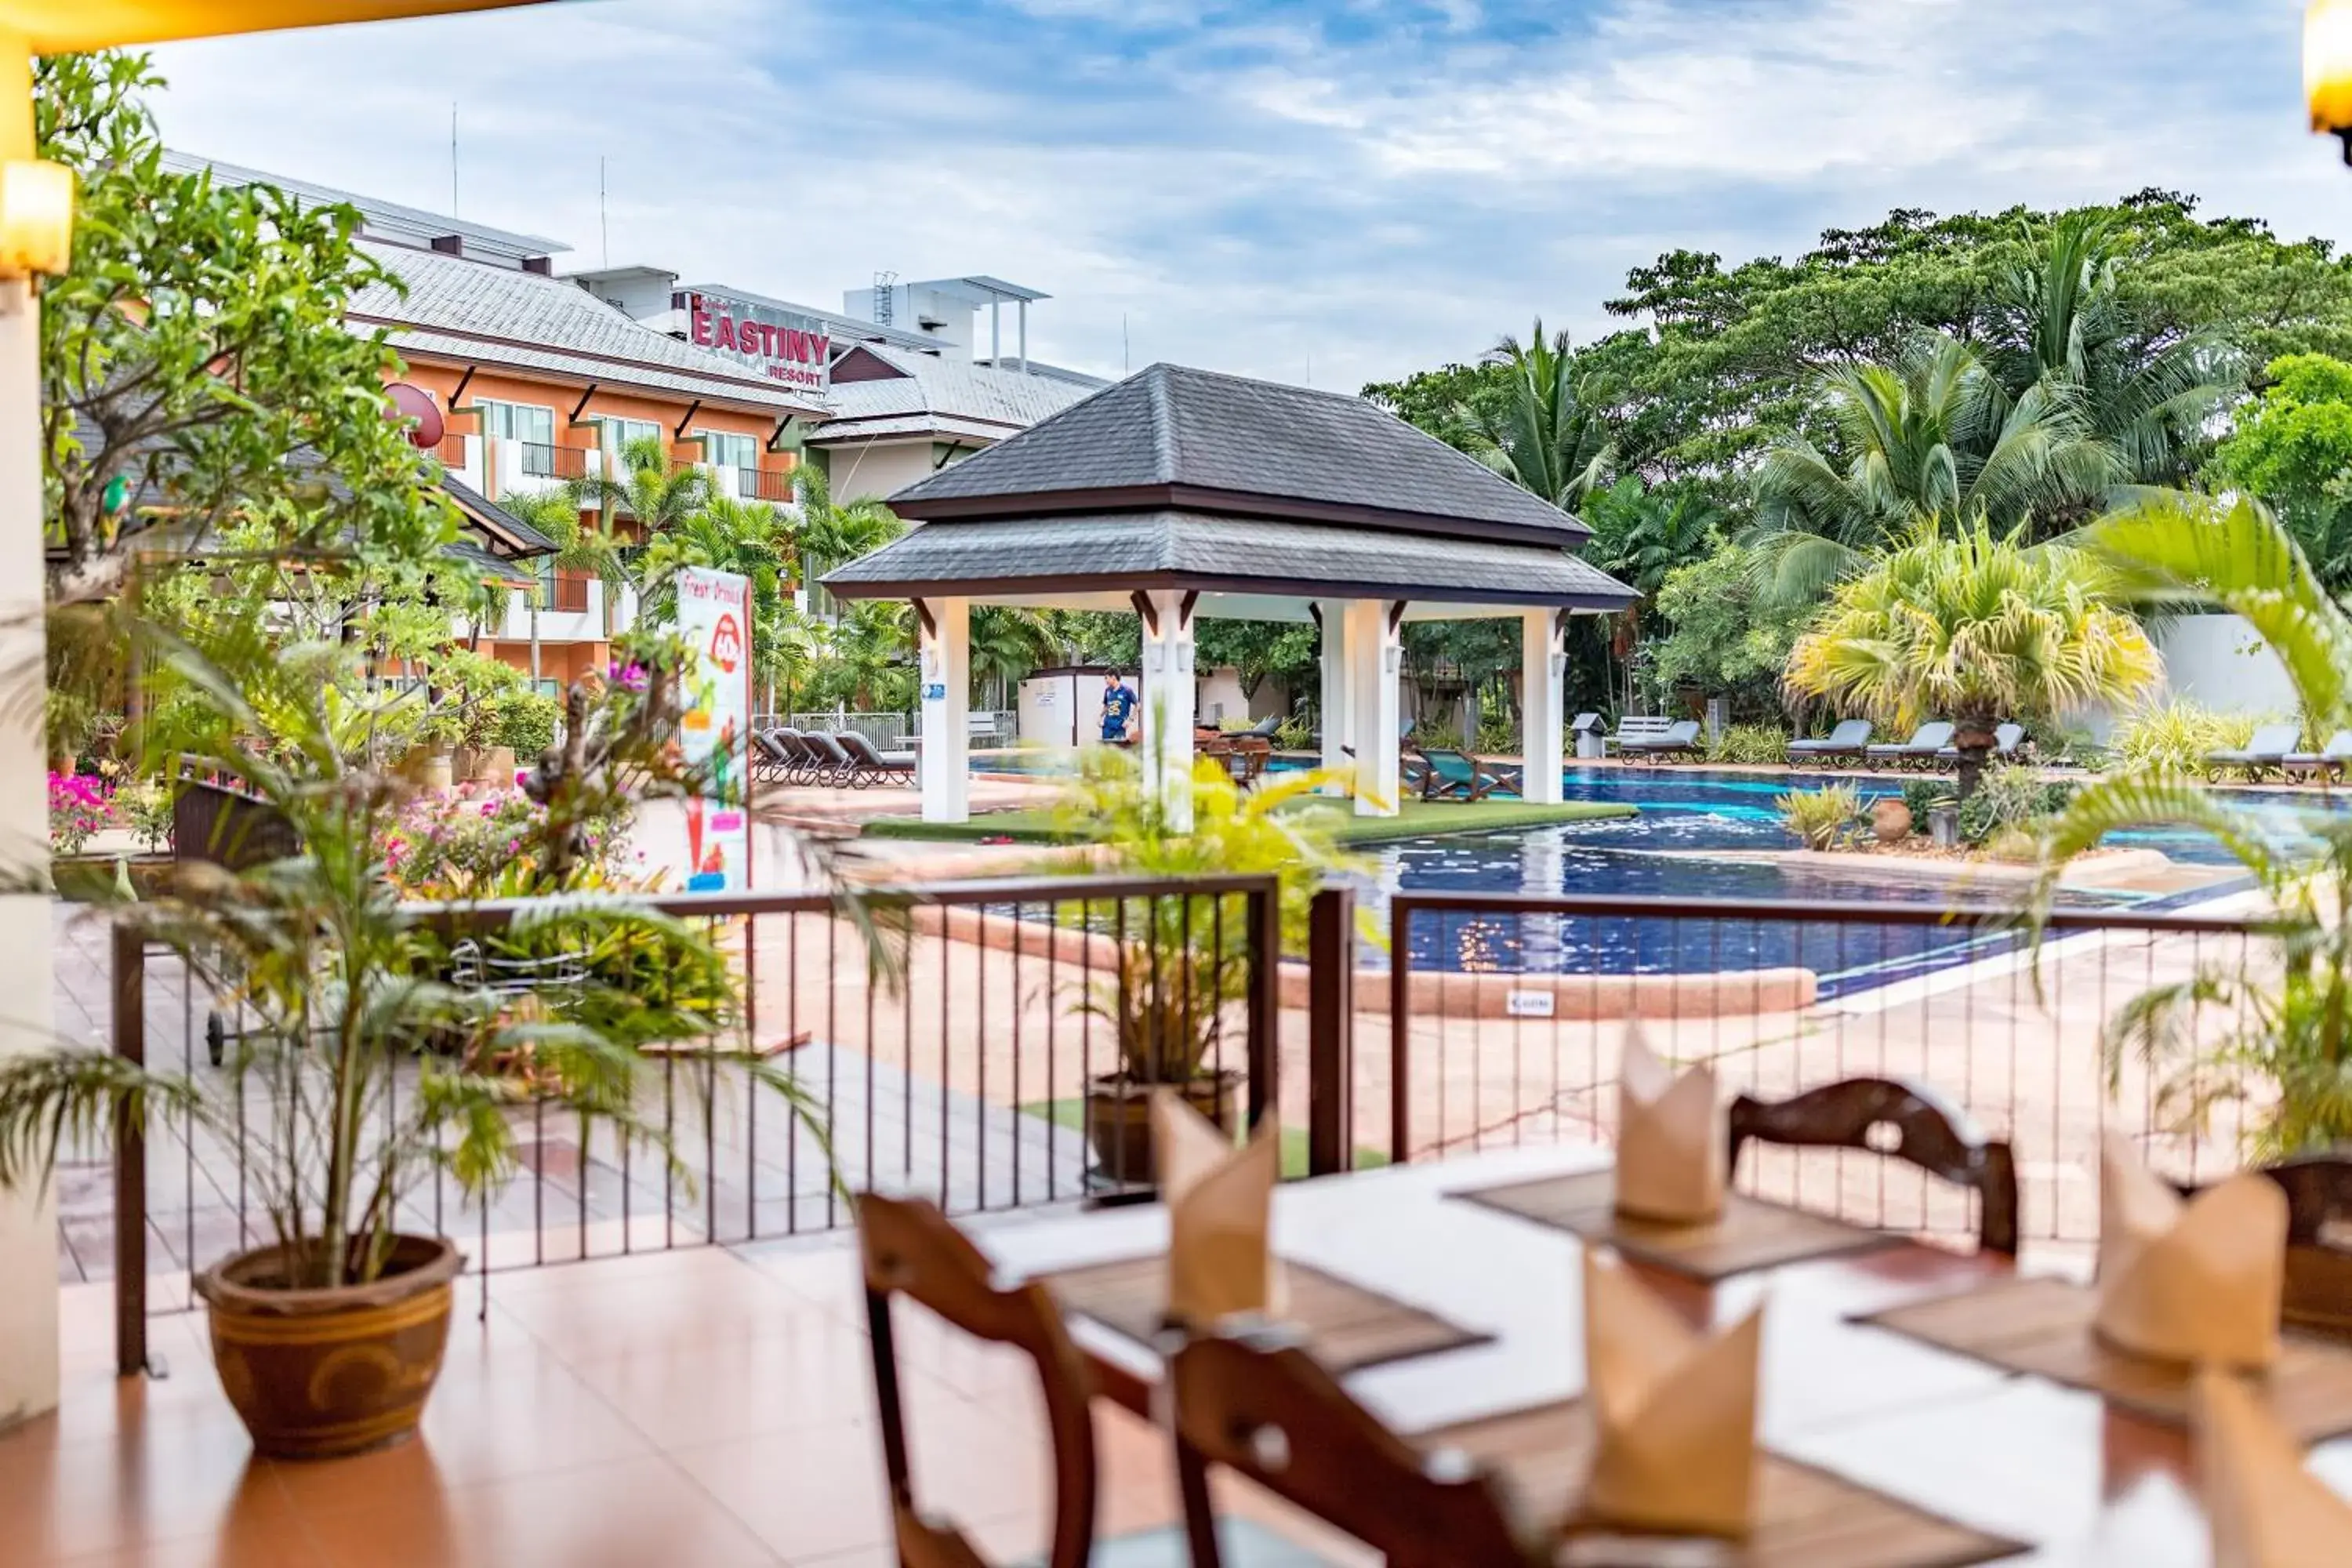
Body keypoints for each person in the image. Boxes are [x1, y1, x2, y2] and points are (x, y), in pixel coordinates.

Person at [1099, 673, 1137, 746]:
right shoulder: (1108, 690)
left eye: (1107, 678)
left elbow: (1137, 705)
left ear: (1113, 677)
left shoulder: (1127, 690)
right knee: (1105, 751)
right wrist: (1100, 717)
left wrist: (1130, 720)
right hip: (1107, 726)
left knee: (1119, 750)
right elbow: (1106, 706)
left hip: (1120, 727)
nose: (1106, 681)